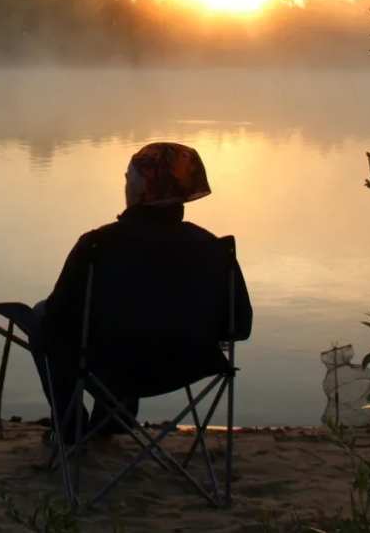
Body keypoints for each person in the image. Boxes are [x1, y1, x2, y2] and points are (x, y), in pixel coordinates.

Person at [28, 141, 253, 447]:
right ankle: (112, 418)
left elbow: (57, 322)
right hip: (187, 366)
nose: (125, 186)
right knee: (130, 333)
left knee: (43, 316)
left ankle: (70, 427)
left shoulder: (97, 246)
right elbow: (239, 326)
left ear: (141, 188)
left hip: (112, 365)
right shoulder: (214, 249)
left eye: (128, 178)